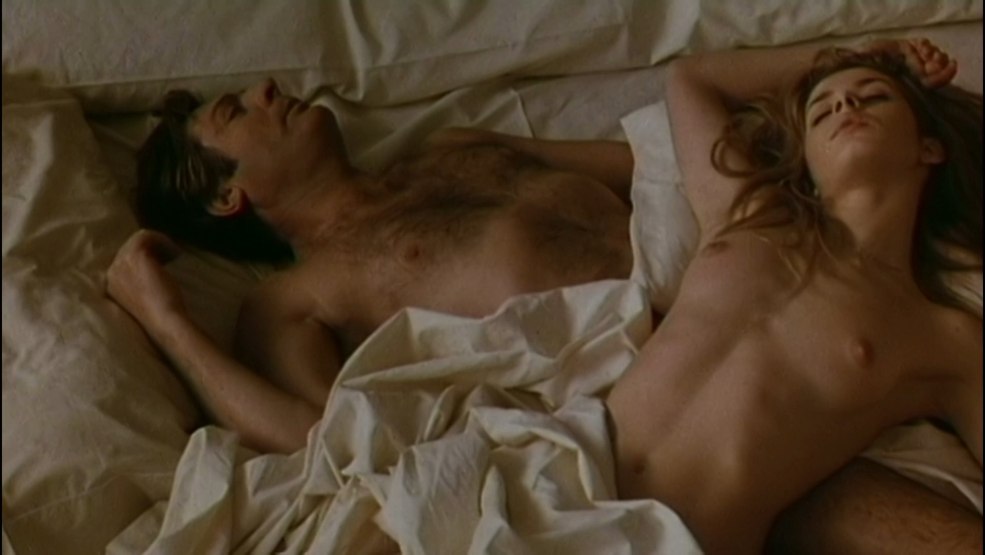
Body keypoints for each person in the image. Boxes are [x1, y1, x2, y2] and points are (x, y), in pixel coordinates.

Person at [105, 38, 981, 553]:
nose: (266, 89)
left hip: (733, 331)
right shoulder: (295, 295)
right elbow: (325, 440)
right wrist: (168, 320)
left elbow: (663, 167)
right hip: (574, 421)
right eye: (235, 112)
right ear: (227, 196)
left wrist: (848, 93)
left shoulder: (460, 147)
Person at [607, 37, 982, 554]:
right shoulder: (747, 215)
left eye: (874, 96)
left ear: (929, 148)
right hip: (558, 486)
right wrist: (863, 52)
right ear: (807, 161)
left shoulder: (943, 336)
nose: (845, 104)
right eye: (822, 110)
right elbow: (691, 79)